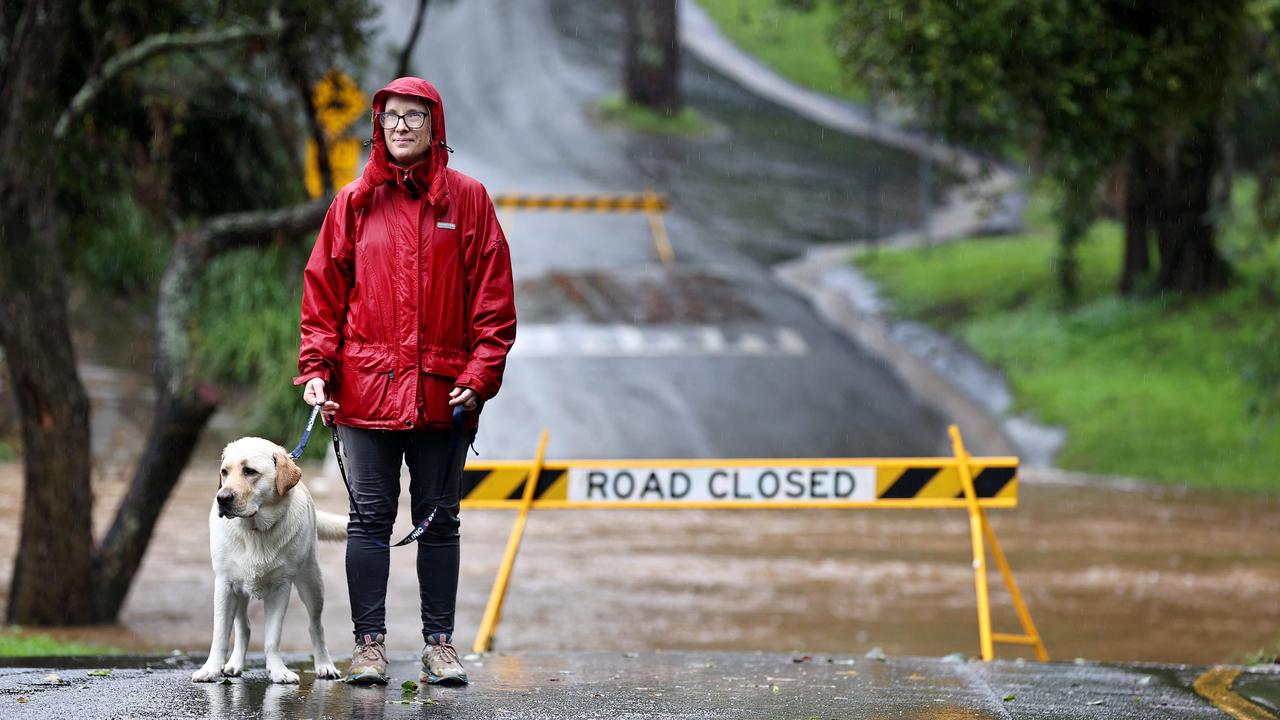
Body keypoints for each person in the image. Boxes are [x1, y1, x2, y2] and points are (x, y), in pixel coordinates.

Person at [295, 76, 516, 686]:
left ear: (434, 125)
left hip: (445, 394)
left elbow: (493, 304)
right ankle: (368, 648)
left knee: (440, 520)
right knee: (369, 520)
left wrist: (480, 375)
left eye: (413, 117)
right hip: (364, 393)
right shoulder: (353, 202)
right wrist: (316, 368)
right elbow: (323, 298)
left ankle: (439, 646)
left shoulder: (468, 201)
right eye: (391, 116)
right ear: (378, 125)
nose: (400, 126)